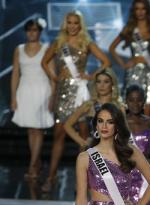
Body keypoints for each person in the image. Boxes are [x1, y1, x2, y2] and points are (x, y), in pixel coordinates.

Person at [41, 10, 111, 193]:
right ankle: (51, 177)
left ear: (80, 25)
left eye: (75, 23)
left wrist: (90, 76)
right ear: (66, 24)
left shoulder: (86, 43)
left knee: (83, 139)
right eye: (69, 23)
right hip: (64, 94)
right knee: (59, 136)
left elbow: (105, 61)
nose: (72, 26)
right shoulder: (59, 43)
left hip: (80, 93)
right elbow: (44, 62)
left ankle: (84, 182)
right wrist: (55, 78)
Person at [10, 18, 54, 182]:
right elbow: (15, 74)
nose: (32, 33)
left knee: (38, 129)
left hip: (42, 91)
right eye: (29, 30)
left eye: (35, 30)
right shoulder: (19, 49)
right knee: (31, 129)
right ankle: (37, 162)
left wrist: (53, 97)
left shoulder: (46, 49)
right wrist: (13, 98)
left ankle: (32, 165)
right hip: (25, 91)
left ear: (39, 32)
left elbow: (53, 75)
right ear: (26, 32)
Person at [109, 0, 150, 115]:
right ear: (134, 11)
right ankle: (129, 133)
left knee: (148, 109)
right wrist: (124, 64)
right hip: (133, 73)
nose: (140, 12)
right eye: (137, 9)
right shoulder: (129, 29)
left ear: (147, 10)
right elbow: (112, 48)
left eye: (143, 9)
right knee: (129, 107)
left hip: (149, 73)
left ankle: (146, 134)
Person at [64, 68, 124, 148]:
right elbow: (67, 125)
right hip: (93, 152)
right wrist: (82, 142)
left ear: (112, 84)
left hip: (112, 150)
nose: (102, 85)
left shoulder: (119, 107)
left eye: (106, 82)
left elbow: (124, 132)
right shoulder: (89, 105)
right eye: (98, 82)